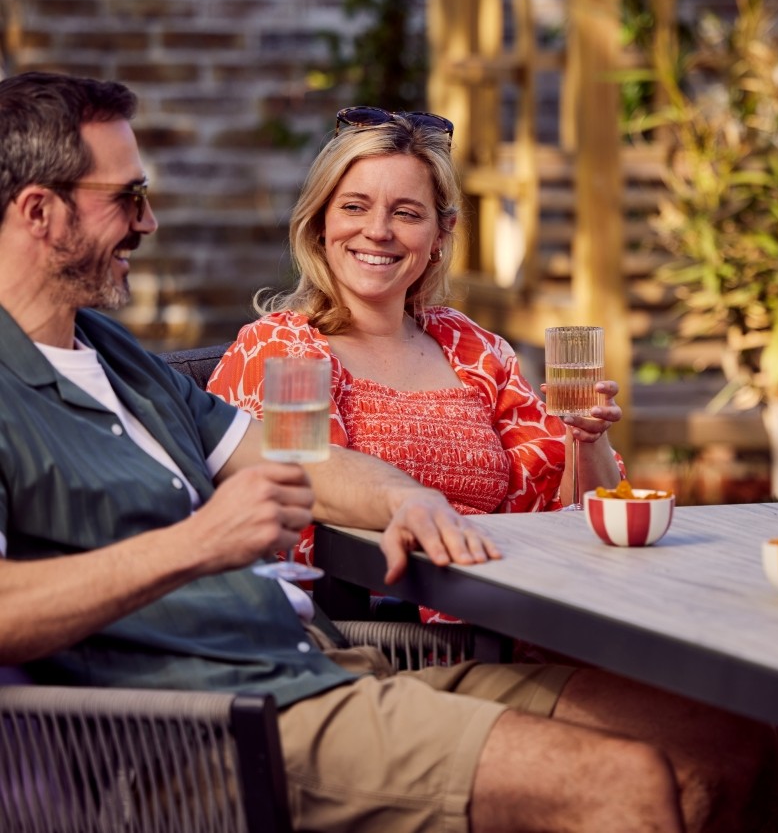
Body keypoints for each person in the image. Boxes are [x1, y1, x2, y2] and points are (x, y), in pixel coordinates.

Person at [0, 71, 778, 833]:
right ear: (40, 213)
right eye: (128, 197)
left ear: (439, 233)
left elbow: (303, 461)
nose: (149, 221)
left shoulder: (115, 355)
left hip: (315, 664)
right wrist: (201, 542)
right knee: (618, 785)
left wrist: (403, 497)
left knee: (721, 735)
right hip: (202, 727)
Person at [207, 106, 626, 605]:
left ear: (439, 237)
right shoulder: (285, 349)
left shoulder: (474, 350)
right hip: (377, 634)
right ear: (321, 223)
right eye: (354, 207)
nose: (378, 231)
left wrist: (587, 441)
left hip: (505, 606)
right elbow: (297, 506)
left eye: (406, 213)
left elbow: (574, 512)